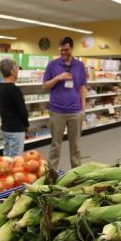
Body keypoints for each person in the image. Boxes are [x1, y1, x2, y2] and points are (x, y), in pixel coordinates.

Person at [43, 37, 87, 170]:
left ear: (72, 48)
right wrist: (58, 77)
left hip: (75, 112)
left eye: (66, 50)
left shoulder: (79, 66)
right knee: (55, 145)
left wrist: (83, 109)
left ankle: (76, 174)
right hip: (57, 112)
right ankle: (51, 175)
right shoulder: (52, 65)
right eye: (61, 50)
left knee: (76, 146)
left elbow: (82, 88)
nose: (63, 52)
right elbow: (45, 85)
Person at [0, 58, 29, 157]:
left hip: (6, 127)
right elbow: (22, 110)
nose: (18, 71)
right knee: (16, 158)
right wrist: (26, 124)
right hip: (16, 128)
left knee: (6, 156)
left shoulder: (0, 88)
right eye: (17, 68)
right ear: (12, 71)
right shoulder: (14, 90)